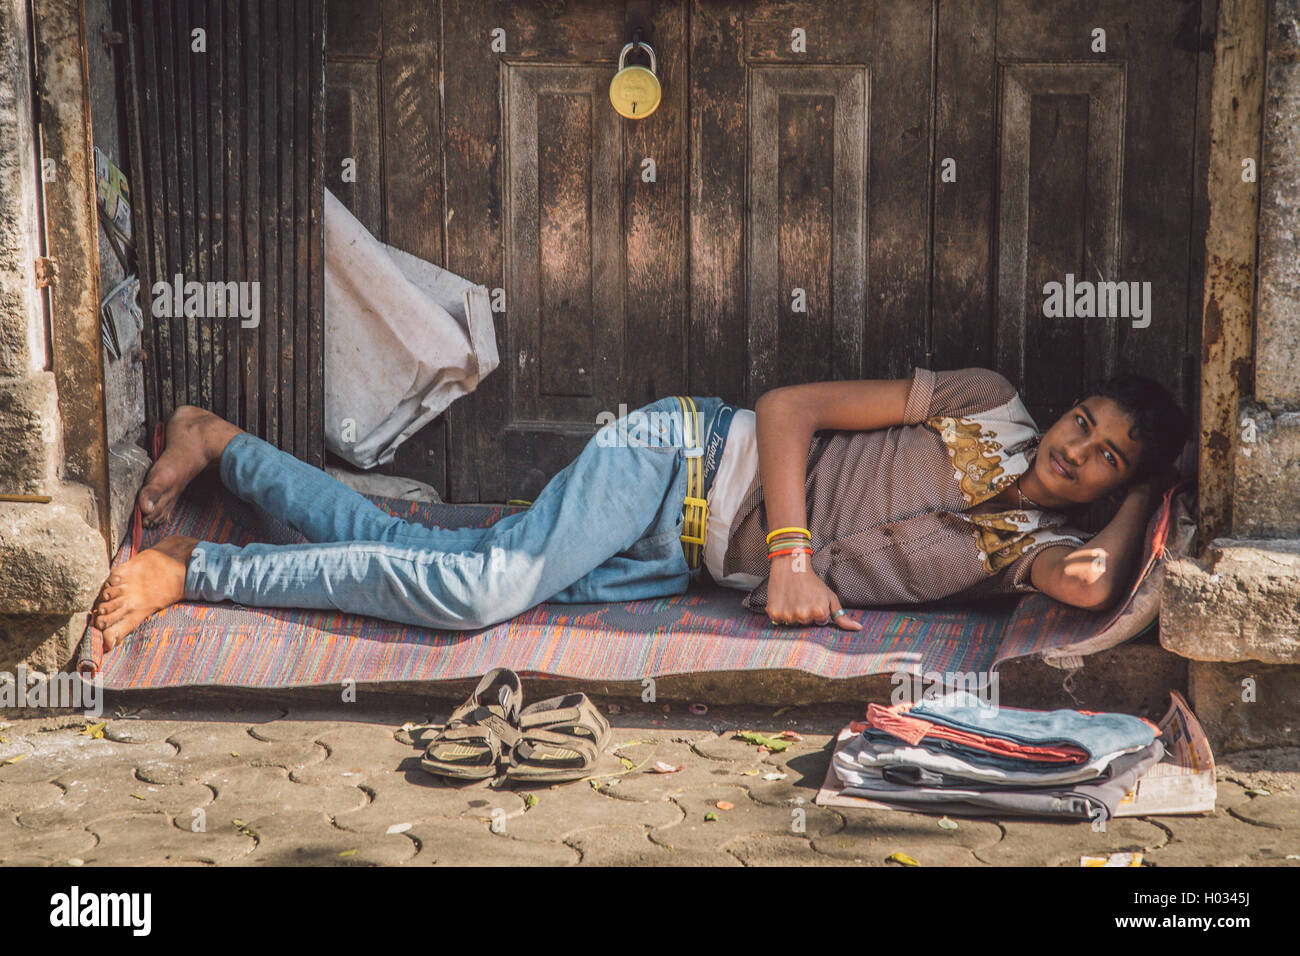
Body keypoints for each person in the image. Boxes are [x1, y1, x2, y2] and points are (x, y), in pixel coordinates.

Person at [89, 366, 1189, 650]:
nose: (1073, 447)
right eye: (1084, 419)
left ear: (1114, 486)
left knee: (413, 550)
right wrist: (795, 552)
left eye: (1104, 460)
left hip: (684, 559)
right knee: (478, 590)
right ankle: (197, 570)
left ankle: (220, 443)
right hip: (684, 452)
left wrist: (1147, 498)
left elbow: (1092, 581)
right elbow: (790, 405)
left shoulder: (1035, 548)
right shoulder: (987, 401)